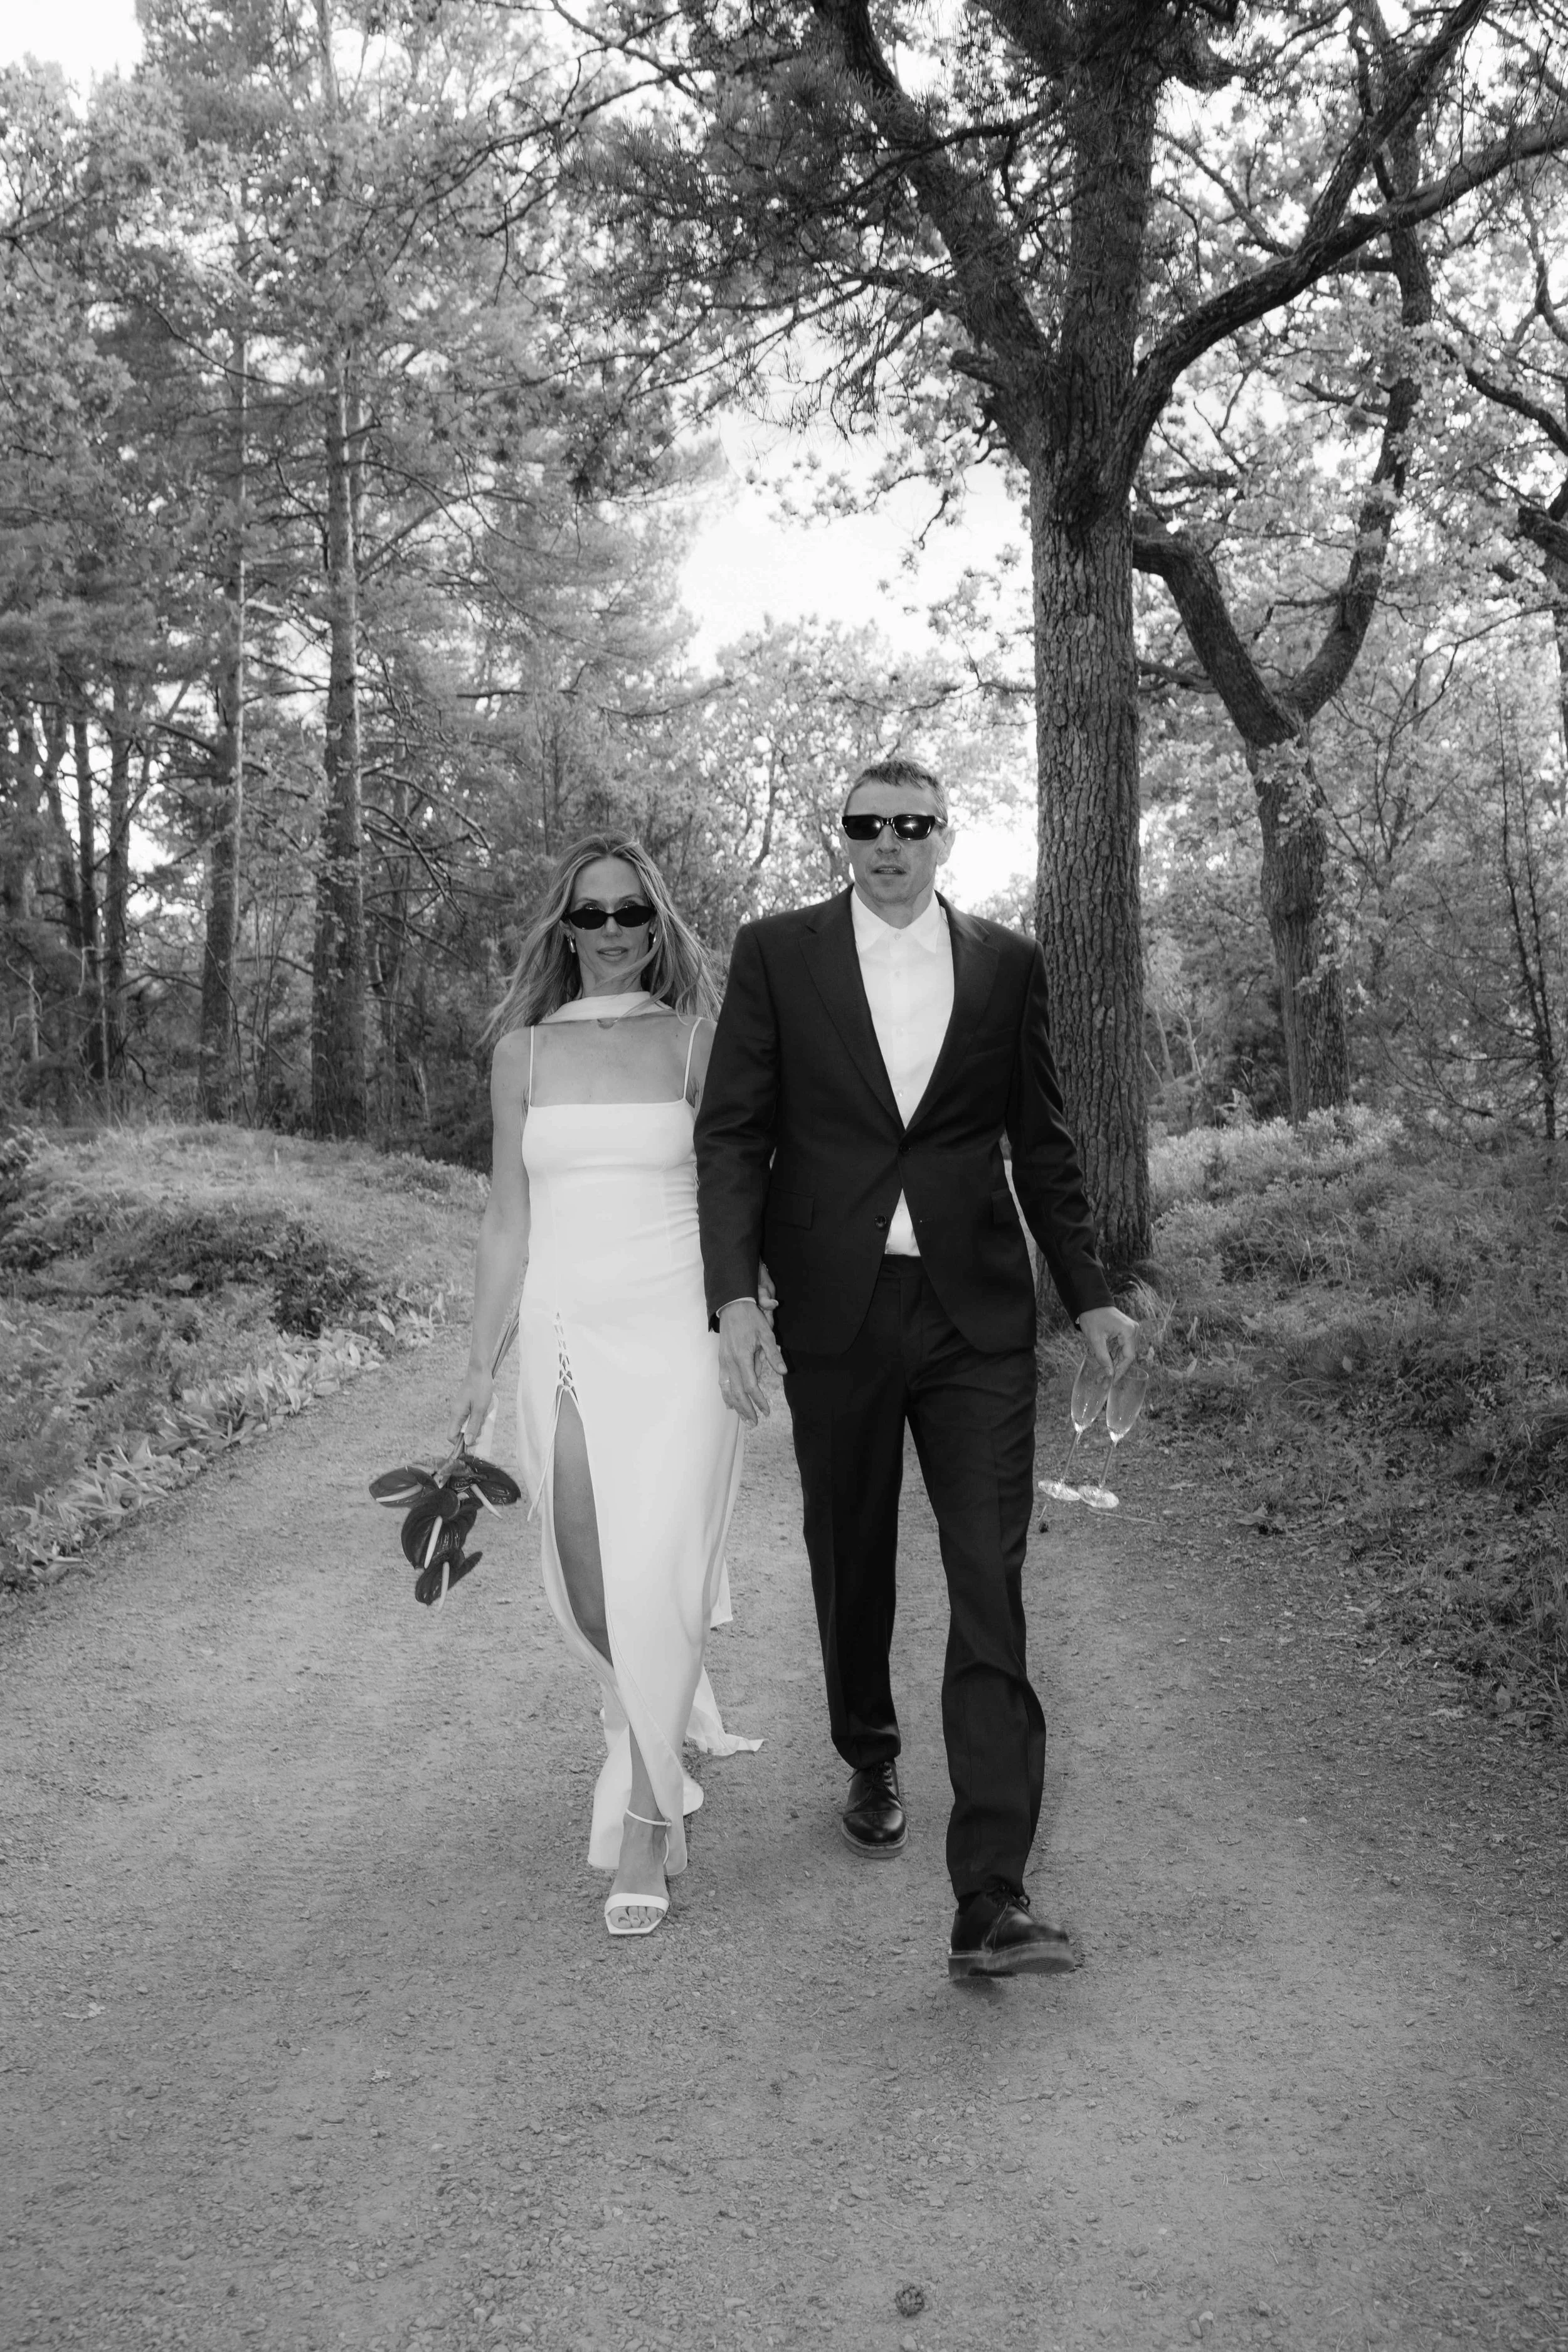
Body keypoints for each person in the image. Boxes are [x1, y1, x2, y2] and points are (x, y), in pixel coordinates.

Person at [694, 756, 1137, 1979]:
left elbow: (1039, 1142)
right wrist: (732, 1294)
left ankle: (989, 1893)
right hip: (835, 1308)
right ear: (839, 837)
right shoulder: (777, 954)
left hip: (973, 1316)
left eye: (912, 826)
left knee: (988, 1585)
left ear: (946, 836)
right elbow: (730, 1131)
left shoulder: (1004, 963)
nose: (888, 843)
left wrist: (1089, 1293)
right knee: (850, 1551)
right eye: (865, 826)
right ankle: (869, 1748)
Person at [450, 835, 758, 1939]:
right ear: (563, 930)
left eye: (633, 910)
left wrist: (744, 1316)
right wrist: (480, 1363)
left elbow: (740, 1194)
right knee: (585, 1572)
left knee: (659, 1563)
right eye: (592, 915)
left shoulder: (699, 1046)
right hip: (567, 1326)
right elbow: (505, 1219)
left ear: (659, 922)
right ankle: (649, 1722)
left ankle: (646, 1821)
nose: (616, 929)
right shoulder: (521, 1057)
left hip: (678, 1329)